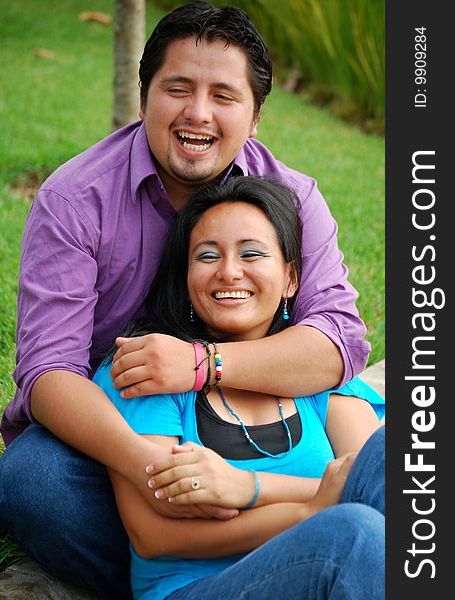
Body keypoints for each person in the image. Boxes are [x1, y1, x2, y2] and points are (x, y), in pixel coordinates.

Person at [0, 2, 373, 598]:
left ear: (255, 117)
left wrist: (203, 366)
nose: (198, 113)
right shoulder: (74, 200)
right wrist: (154, 474)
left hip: (253, 414)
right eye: (177, 88)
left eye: (224, 95)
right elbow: (47, 373)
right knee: (37, 482)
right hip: (121, 431)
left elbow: (339, 342)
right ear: (144, 97)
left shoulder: (293, 199)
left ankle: (288, 564)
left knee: (381, 485)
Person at [93, 175, 385, 600]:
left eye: (251, 253)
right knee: (353, 535)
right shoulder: (151, 371)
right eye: (207, 256)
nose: (229, 271)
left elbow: (366, 486)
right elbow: (154, 534)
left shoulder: (315, 377)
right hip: (198, 588)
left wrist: (248, 487)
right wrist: (309, 509)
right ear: (187, 277)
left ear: (290, 279)